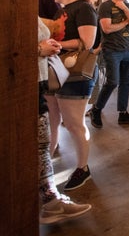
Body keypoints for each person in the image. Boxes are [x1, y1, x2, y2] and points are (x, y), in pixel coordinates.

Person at [46, 0, 98, 191]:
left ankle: (82, 167)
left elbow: (87, 42)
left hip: (75, 72)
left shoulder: (84, 8)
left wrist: (55, 44)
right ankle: (47, 159)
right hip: (57, 69)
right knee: (53, 118)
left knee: (75, 123)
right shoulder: (62, 11)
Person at [37, 17, 92, 224]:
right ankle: (50, 201)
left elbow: (87, 41)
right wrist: (39, 49)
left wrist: (49, 46)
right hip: (37, 80)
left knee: (44, 141)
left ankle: (51, 198)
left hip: (48, 78)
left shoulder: (82, 9)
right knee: (44, 139)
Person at [89, 0, 129, 128]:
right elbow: (107, 29)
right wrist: (125, 23)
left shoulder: (128, 6)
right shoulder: (105, 6)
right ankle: (96, 110)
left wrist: (124, 9)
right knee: (112, 82)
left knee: (125, 83)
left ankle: (123, 113)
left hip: (127, 48)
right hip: (111, 49)